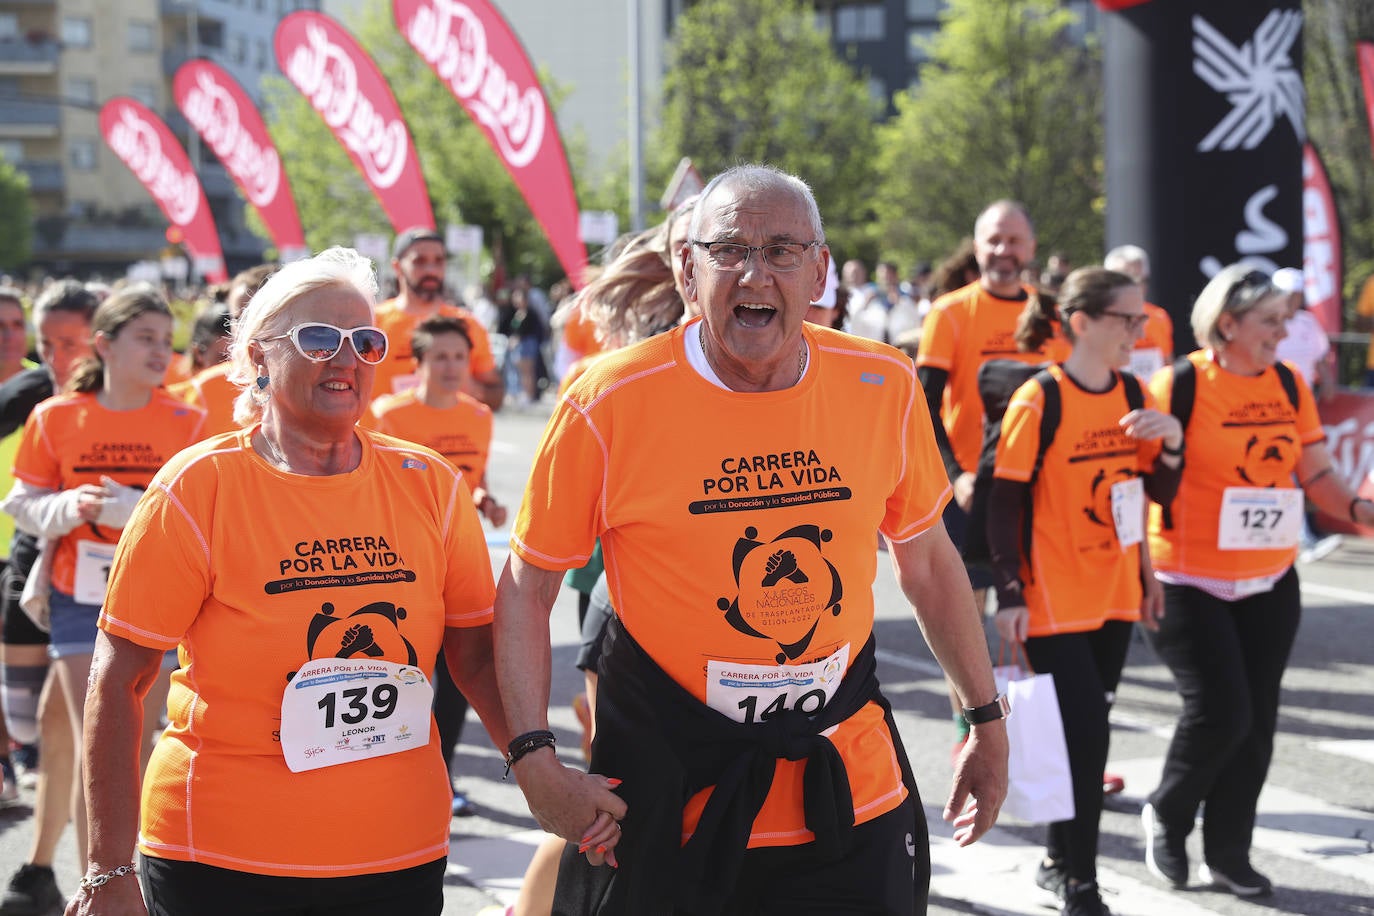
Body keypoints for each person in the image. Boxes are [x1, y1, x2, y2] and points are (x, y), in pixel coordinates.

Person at [495, 164, 1008, 914]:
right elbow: (527, 586)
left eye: (781, 250)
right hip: (674, 787)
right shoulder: (608, 401)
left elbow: (927, 561)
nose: (753, 272)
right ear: (686, 267)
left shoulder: (882, 383)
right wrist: (534, 757)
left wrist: (984, 719)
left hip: (845, 782)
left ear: (820, 270)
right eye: (728, 249)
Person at [67, 247, 512, 916]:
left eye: (365, 341)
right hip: (222, 857)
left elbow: (477, 656)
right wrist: (107, 869)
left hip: (398, 850)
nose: (346, 357)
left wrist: (538, 765)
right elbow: (118, 680)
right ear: (256, 358)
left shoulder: (432, 485)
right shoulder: (197, 488)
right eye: (318, 338)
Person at [1139, 264, 1374, 898]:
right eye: (1270, 321)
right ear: (1228, 324)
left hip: (1270, 576)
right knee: (1222, 713)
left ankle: (1229, 853)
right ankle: (1167, 808)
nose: (1283, 331)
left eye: (1286, 318)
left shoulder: (1289, 382)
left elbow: (1317, 471)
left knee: (1258, 722)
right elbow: (1142, 481)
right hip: (1187, 576)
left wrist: (1359, 512)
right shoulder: (1178, 384)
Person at [1, 286, 203, 913]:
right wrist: (64, 508)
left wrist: (137, 507)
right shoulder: (56, 416)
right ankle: (102, 883)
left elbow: (207, 511)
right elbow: (21, 504)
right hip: (75, 595)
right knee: (102, 742)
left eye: (166, 340)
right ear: (105, 344)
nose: (159, 352)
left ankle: (142, 879)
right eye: (144, 338)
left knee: (140, 742)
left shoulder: (188, 421)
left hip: (159, 596)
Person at [989, 268, 1183, 916]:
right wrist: (1009, 591)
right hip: (1051, 599)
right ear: (1082, 323)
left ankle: (1053, 860)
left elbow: (1153, 496)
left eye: (1141, 319)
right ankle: (1083, 884)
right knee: (1089, 739)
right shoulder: (1040, 401)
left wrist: (1174, 445)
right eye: (1127, 319)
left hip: (1114, 594)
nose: (1141, 329)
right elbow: (1005, 503)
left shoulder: (1133, 390)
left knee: (1074, 733)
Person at [915, 200, 1068, 757]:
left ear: (1031, 247)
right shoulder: (952, 312)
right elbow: (924, 405)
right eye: (994, 241)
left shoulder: (1051, 313)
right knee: (966, 611)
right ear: (977, 248)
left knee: (1043, 604)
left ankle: (1056, 731)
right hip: (973, 488)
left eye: (1015, 241)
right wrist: (955, 475)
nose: (1004, 251)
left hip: (1039, 490)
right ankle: (969, 729)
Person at [361, 313, 508, 818]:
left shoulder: (478, 417)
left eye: (460, 358)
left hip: (460, 561)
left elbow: (471, 480)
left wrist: (484, 499)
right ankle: (386, 781)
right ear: (418, 363)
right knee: (403, 674)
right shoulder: (386, 415)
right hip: (401, 566)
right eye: (440, 357)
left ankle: (442, 780)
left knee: (460, 673)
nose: (451, 367)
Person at [0, 282, 96, 916]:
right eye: (47, 344)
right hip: (32, 568)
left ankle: (83, 875)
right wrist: (58, 508)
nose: (57, 359)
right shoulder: (29, 402)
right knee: (29, 723)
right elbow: (23, 501)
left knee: (94, 731)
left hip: (100, 588)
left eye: (71, 344)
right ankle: (43, 868)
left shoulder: (150, 402)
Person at [372, 228, 504, 409]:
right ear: (397, 267)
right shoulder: (372, 322)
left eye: (439, 261)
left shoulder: (466, 325)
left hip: (448, 436)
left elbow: (496, 397)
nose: (431, 270)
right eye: (419, 261)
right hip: (380, 435)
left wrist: (471, 387)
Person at [169, 265, 277, 440]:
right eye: (238, 318)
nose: (247, 328)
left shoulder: (319, 383)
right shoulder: (207, 385)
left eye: (259, 316)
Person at [1103, 245, 1176, 379]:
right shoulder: (1096, 320)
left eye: (1140, 280)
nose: (1133, 287)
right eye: (1124, 280)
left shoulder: (1158, 317)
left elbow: (1167, 364)